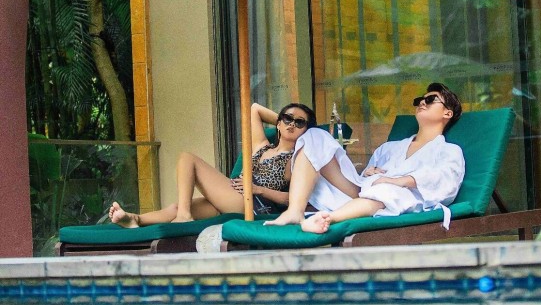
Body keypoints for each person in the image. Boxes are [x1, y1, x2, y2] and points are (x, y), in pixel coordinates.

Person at [265, 82, 464, 233]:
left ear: (447, 113)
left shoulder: (449, 151)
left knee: (388, 190)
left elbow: (445, 181)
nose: (421, 102)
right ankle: (295, 211)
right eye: (419, 100)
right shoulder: (390, 147)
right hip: (359, 191)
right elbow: (366, 178)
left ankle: (327, 218)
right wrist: (369, 172)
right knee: (314, 136)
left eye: (430, 100)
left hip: (392, 199)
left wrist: (397, 181)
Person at [109, 101, 316, 226]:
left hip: (254, 204)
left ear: (307, 130)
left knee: (187, 158)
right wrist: (283, 120)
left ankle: (184, 216)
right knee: (178, 206)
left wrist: (258, 189)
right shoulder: (262, 145)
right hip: (234, 195)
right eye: (287, 119)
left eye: (300, 123)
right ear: (278, 122)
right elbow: (254, 109)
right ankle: (136, 219)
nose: (292, 124)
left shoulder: (297, 159)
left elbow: (294, 199)